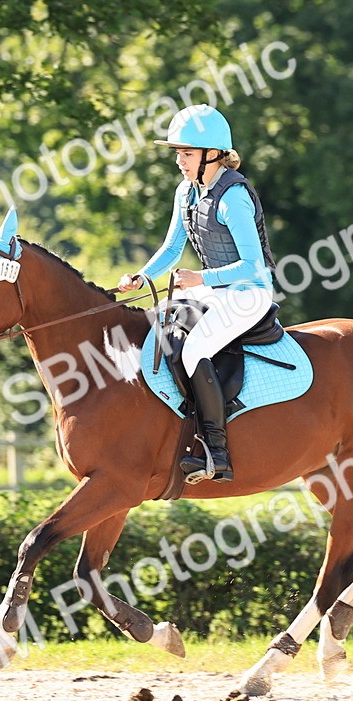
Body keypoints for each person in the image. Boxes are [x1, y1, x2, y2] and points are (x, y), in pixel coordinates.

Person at [118, 104, 276, 482]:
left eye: (186, 154)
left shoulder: (232, 197)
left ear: (212, 155)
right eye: (178, 154)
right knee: (165, 326)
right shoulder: (186, 192)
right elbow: (172, 249)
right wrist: (142, 277)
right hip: (218, 291)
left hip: (249, 294)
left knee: (193, 349)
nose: (180, 162)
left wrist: (201, 279)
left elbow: (254, 267)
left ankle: (217, 452)